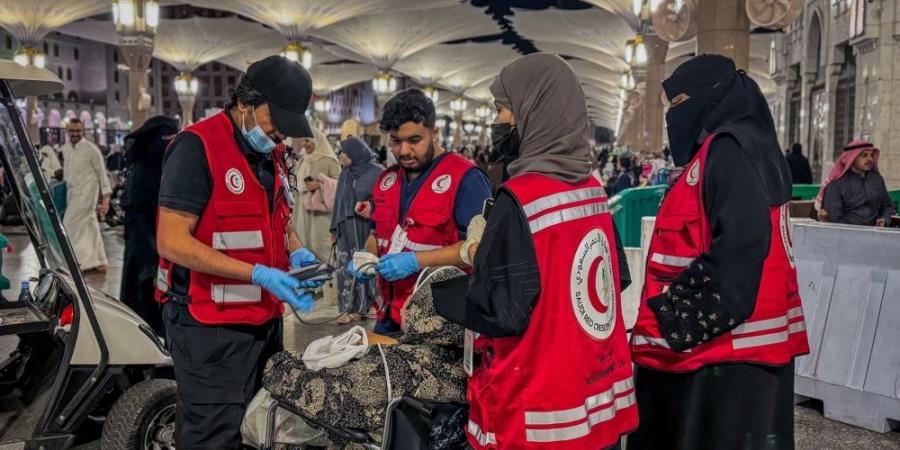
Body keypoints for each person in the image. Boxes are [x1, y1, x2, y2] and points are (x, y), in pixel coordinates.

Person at [433, 53, 637, 450]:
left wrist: (443, 293)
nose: (498, 123)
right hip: (593, 389)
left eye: (502, 110)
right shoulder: (593, 190)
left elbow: (499, 309)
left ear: (533, 111)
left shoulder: (521, 199)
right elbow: (614, 278)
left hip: (538, 407)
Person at [628, 55, 809, 450]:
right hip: (738, 355)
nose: (674, 115)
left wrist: (667, 320)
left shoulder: (730, 150)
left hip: (720, 359)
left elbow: (741, 247)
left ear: (712, 97)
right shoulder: (746, 145)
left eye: (679, 102)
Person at [155, 56, 322, 449]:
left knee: (255, 425)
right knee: (212, 433)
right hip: (208, 325)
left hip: (262, 323)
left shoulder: (273, 154)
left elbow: (277, 223)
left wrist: (299, 253)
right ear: (245, 103)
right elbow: (172, 241)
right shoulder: (197, 147)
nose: (280, 134)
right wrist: (258, 273)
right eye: (274, 121)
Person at [353, 88, 492, 335]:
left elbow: (478, 251)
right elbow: (377, 235)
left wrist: (414, 261)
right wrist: (366, 256)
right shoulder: (387, 179)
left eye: (414, 140)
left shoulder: (466, 179)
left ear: (434, 133)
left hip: (436, 320)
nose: (404, 151)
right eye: (396, 141)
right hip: (387, 316)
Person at [119, 116, 178, 337]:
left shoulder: (160, 170)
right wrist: (151, 267)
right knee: (144, 311)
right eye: (166, 139)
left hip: (162, 258)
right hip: (146, 261)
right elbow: (140, 227)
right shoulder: (145, 175)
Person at [330, 137, 383, 324]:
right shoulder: (345, 173)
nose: (341, 156)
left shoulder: (378, 172)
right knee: (346, 267)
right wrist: (334, 228)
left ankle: (368, 307)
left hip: (365, 228)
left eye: (344, 152)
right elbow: (338, 200)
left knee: (366, 265)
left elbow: (385, 201)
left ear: (355, 153)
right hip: (346, 227)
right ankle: (348, 308)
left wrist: (370, 205)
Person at [61, 118, 111, 272]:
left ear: (83, 131)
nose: (75, 134)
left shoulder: (91, 149)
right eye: (72, 131)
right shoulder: (66, 149)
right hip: (72, 194)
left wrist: (106, 199)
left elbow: (102, 174)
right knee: (89, 226)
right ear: (67, 132)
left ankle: (76, 263)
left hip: (87, 194)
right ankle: (99, 261)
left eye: (78, 131)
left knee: (69, 224)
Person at [817, 140, 895, 226]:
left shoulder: (877, 180)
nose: (870, 159)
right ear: (852, 158)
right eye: (864, 155)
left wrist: (884, 219)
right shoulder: (836, 184)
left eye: (871, 155)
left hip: (874, 232)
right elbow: (834, 218)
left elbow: (887, 206)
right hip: (846, 234)